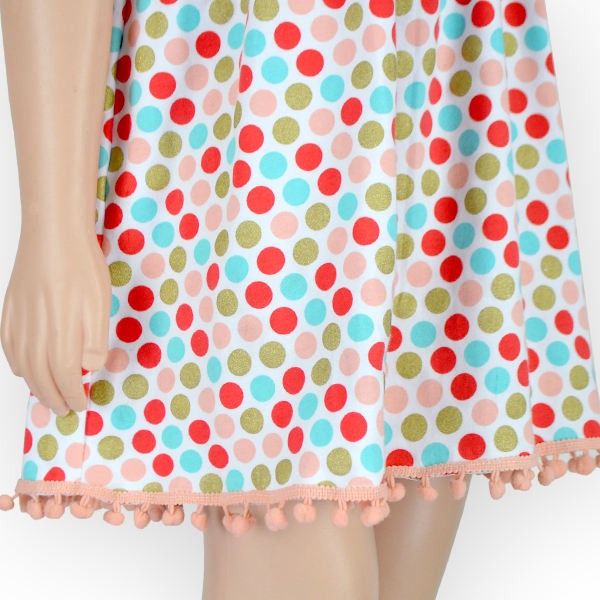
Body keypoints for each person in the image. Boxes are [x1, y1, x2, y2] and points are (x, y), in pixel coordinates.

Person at [0, 1, 597, 599]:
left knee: (415, 460)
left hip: (443, 58)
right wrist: (54, 223)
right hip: (282, 77)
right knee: (294, 508)